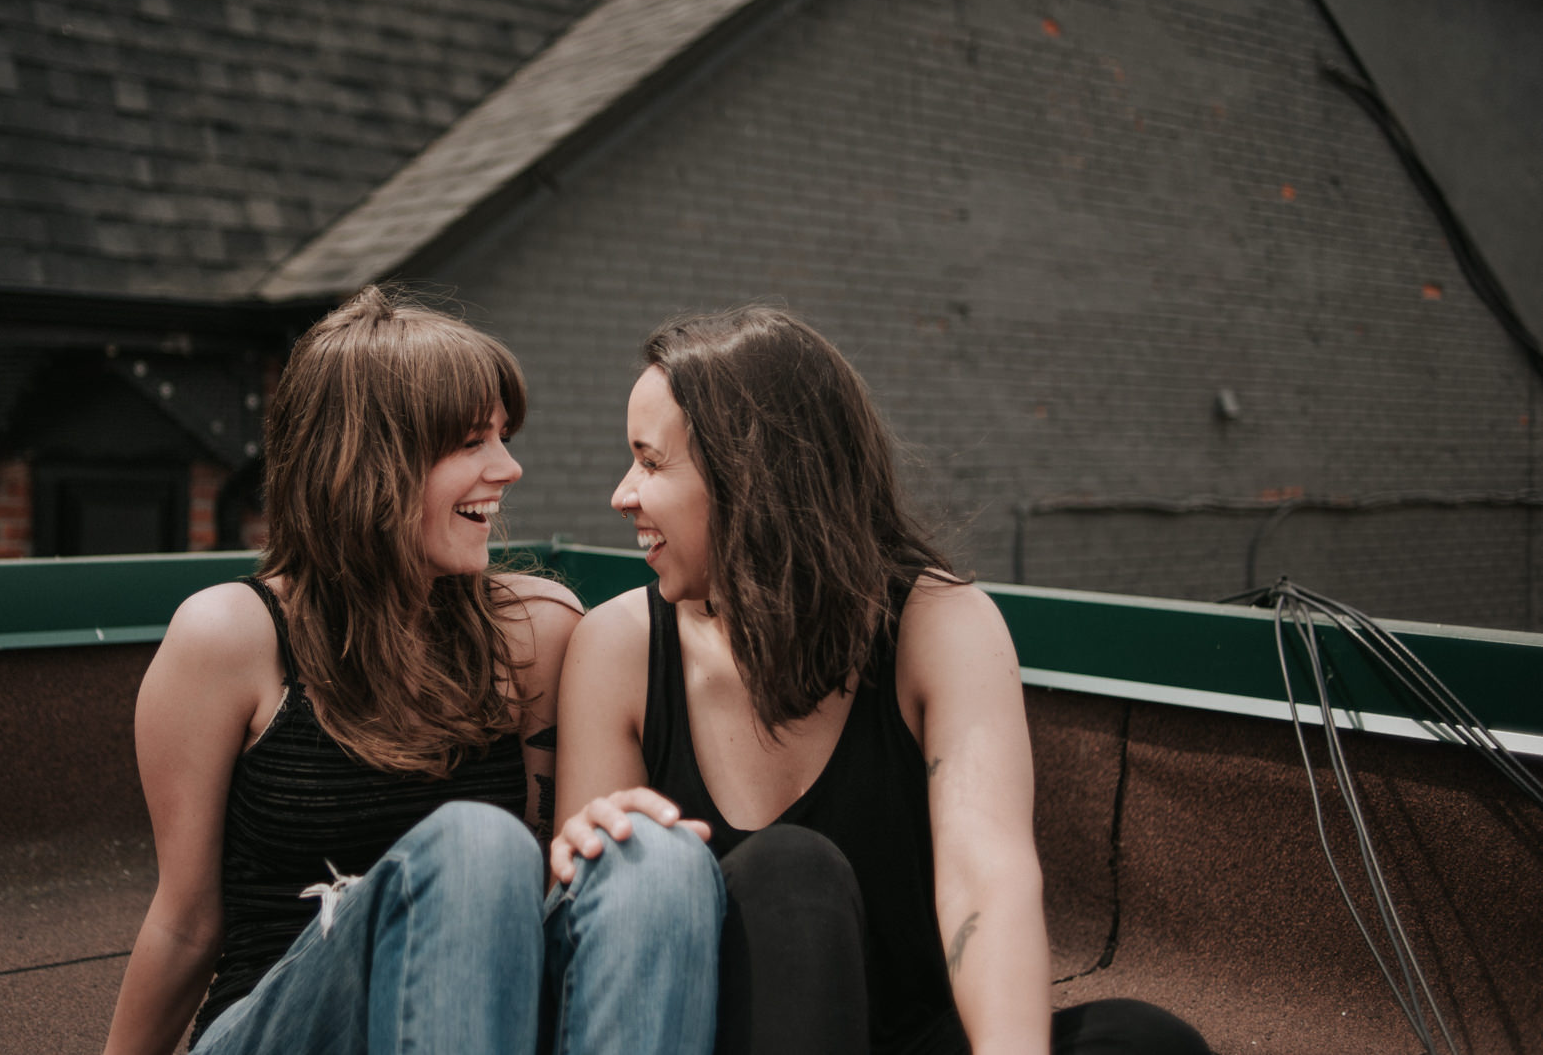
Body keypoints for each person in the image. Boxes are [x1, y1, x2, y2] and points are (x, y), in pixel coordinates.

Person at [552, 306, 1209, 1055]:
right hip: (712, 1039)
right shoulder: (618, 647)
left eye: (649, 460)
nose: (622, 494)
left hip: (906, 1038)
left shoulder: (940, 624)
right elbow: (599, 936)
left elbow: (986, 879)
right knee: (790, 870)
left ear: (750, 474)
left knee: (1144, 1039)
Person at [102, 287, 723, 1055]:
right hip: (284, 1021)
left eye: (503, 436)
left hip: (472, 1021)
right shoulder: (230, 639)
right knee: (475, 845)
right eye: (471, 442)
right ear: (368, 462)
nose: (510, 467)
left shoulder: (533, 633)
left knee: (650, 854)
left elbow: (554, 898)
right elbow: (186, 923)